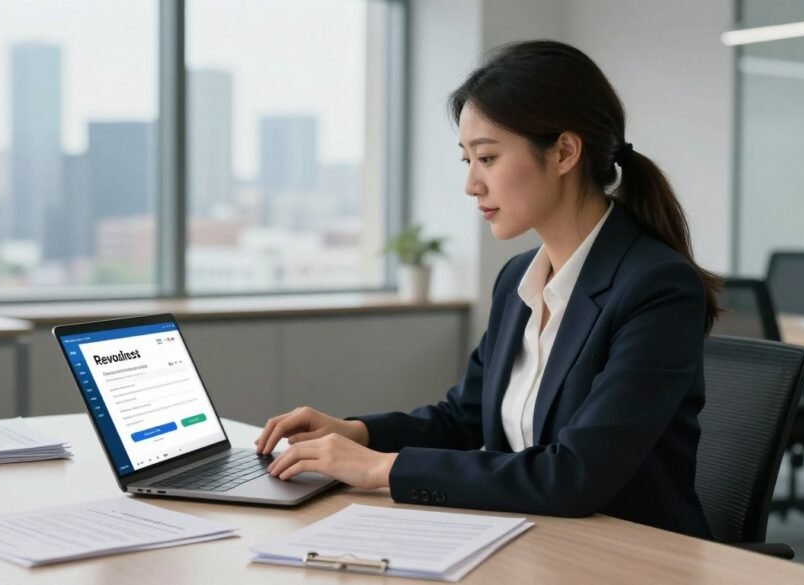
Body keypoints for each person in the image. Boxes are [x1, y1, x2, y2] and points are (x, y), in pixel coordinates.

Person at [254, 40, 721, 539]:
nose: (472, 184)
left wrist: (379, 468)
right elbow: (466, 416)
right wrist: (359, 434)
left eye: (487, 158)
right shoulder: (518, 280)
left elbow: (574, 475)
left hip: (628, 557)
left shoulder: (656, 288)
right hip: (527, 539)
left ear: (564, 152)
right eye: (467, 161)